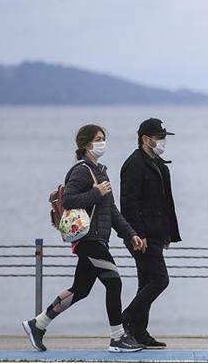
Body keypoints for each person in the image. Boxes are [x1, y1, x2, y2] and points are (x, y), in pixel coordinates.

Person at [23, 124, 146, 353]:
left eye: (103, 138)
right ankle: (117, 338)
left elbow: (112, 211)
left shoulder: (101, 171)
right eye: (98, 139)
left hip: (99, 238)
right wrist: (96, 193)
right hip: (89, 240)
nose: (102, 143)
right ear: (87, 144)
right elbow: (68, 200)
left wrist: (131, 235)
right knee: (114, 281)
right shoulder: (81, 170)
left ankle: (37, 324)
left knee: (80, 289)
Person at [119, 118, 181, 349]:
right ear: (146, 139)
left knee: (146, 282)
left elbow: (166, 205)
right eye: (159, 137)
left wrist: (168, 235)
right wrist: (136, 234)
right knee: (160, 280)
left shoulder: (159, 165)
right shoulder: (134, 164)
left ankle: (138, 333)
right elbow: (129, 202)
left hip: (156, 234)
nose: (163, 141)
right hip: (140, 235)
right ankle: (126, 318)